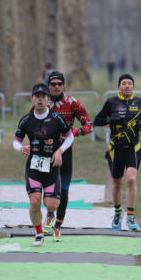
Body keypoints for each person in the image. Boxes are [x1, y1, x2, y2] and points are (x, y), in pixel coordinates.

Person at [13, 83, 74, 246]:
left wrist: (60, 151)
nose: (40, 100)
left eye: (43, 97)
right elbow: (16, 141)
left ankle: (50, 213)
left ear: (48, 99)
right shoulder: (26, 120)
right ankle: (39, 233)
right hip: (33, 166)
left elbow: (70, 137)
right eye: (37, 97)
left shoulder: (57, 118)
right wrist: (21, 147)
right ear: (32, 99)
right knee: (34, 202)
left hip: (52, 167)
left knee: (51, 204)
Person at [41, 71, 93, 241]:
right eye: (53, 84)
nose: (56, 87)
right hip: (45, 151)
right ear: (48, 85)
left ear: (63, 86)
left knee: (63, 190)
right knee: (46, 188)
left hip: (65, 150)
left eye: (59, 84)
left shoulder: (72, 103)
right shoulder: (41, 102)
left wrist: (74, 133)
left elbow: (89, 125)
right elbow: (31, 122)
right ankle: (49, 213)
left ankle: (58, 225)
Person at [94, 74, 141, 231]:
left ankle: (130, 217)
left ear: (133, 86)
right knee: (117, 182)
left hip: (133, 148)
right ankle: (118, 212)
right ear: (119, 86)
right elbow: (97, 120)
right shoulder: (111, 102)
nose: (127, 86)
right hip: (115, 150)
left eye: (129, 83)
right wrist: (110, 120)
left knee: (131, 179)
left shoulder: (139, 102)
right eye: (124, 83)